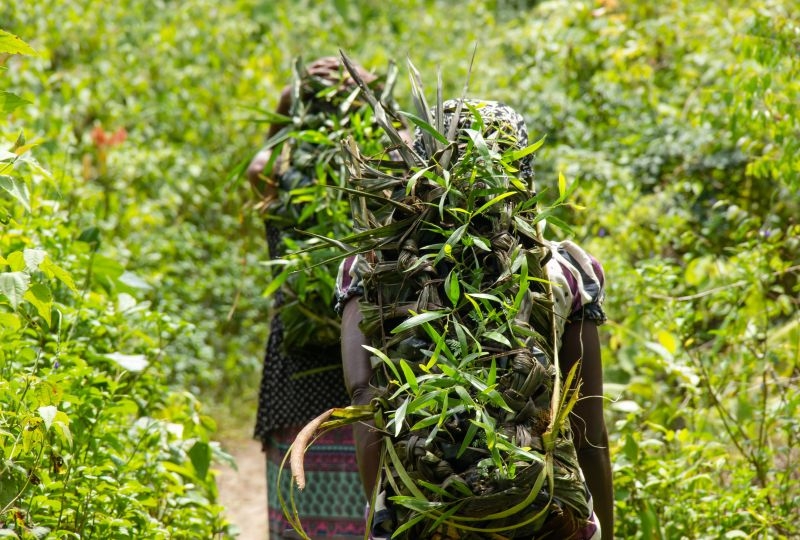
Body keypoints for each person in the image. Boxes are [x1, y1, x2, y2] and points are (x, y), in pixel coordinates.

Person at [335, 99, 614, 539]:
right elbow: (589, 429)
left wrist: (385, 516)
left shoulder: (374, 266)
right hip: (543, 515)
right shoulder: (567, 269)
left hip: (424, 512)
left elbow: (365, 396)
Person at [248, 56, 391, 539]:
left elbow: (258, 162)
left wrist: (287, 102)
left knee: (298, 516)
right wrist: (375, 93)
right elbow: (411, 149)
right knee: (366, 508)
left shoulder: (279, 180)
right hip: (367, 355)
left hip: (297, 370)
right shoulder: (377, 182)